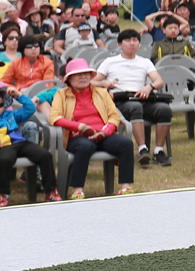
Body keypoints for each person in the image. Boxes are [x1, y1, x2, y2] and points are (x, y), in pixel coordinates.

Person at [51, 58, 135, 198]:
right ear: (69, 79)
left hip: (103, 134)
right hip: (77, 137)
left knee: (126, 143)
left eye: (86, 74)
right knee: (85, 146)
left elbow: (114, 116)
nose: (83, 77)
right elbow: (54, 118)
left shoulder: (101, 92)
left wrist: (104, 132)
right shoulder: (61, 94)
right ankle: (78, 190)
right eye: (78, 74)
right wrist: (80, 127)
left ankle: (125, 187)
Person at [0, 84, 62, 205]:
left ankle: (50, 190)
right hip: (3, 146)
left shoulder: (10, 115)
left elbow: (30, 109)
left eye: (0, 104)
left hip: (20, 143)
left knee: (45, 155)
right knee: (4, 160)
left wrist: (19, 96)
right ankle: (4, 193)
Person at [95, 29, 171, 167]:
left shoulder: (145, 62)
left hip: (141, 98)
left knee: (164, 109)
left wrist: (150, 87)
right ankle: (143, 149)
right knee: (134, 108)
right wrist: (104, 83)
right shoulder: (110, 61)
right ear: (120, 44)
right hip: (120, 100)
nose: (132, 43)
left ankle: (159, 151)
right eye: (128, 40)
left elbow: (159, 81)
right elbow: (92, 82)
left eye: (135, 40)